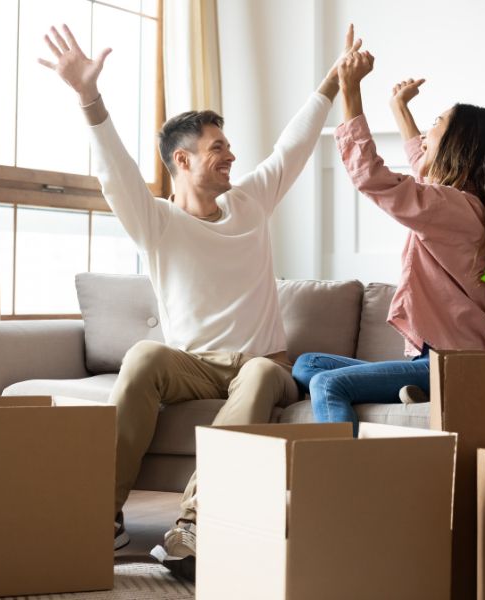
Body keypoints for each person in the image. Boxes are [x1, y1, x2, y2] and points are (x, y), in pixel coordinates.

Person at [39, 23, 358, 582]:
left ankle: (194, 524)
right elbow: (115, 177)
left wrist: (331, 83)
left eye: (229, 147)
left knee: (260, 374)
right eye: (218, 148)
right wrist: (89, 99)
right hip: (192, 366)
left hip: (262, 364)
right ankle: (97, 513)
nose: (231, 156)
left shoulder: (251, 202)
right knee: (142, 356)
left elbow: (294, 146)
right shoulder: (157, 223)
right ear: (181, 162)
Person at [292, 40, 485, 435]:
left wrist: (350, 91)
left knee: (326, 382)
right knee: (307, 363)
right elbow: (425, 168)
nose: (428, 131)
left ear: (457, 145)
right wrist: (400, 108)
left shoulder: (454, 208)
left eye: (436, 123)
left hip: (449, 363)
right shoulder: (464, 205)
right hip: (435, 360)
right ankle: (412, 389)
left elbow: (372, 176)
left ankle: (341, 487)